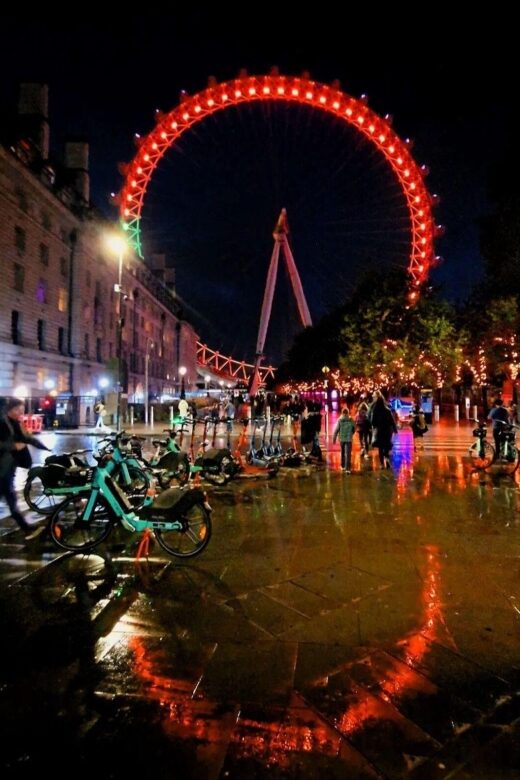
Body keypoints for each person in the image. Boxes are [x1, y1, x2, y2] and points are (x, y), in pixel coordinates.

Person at [0, 398, 50, 539]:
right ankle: (25, 527)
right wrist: (13, 446)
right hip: (2, 468)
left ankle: (25, 526)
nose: (21, 413)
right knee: (10, 497)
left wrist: (45, 448)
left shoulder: (17, 423)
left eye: (22, 410)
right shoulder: (3, 423)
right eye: (18, 410)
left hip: (9, 467)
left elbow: (28, 438)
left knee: (10, 497)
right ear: (10, 409)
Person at [369, 391, 398, 468]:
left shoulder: (375, 410)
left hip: (379, 430)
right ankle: (387, 457)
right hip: (387, 430)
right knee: (386, 445)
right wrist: (395, 430)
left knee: (380, 447)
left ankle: (382, 463)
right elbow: (392, 420)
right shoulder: (387, 410)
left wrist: (373, 427)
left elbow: (372, 421)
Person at [332, 407, 356, 473]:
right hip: (349, 439)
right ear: (348, 412)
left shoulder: (340, 420)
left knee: (342, 452)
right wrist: (352, 433)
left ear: (342, 413)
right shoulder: (351, 419)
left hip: (342, 439)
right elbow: (355, 427)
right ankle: (348, 468)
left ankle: (342, 466)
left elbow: (336, 430)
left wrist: (334, 439)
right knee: (348, 454)